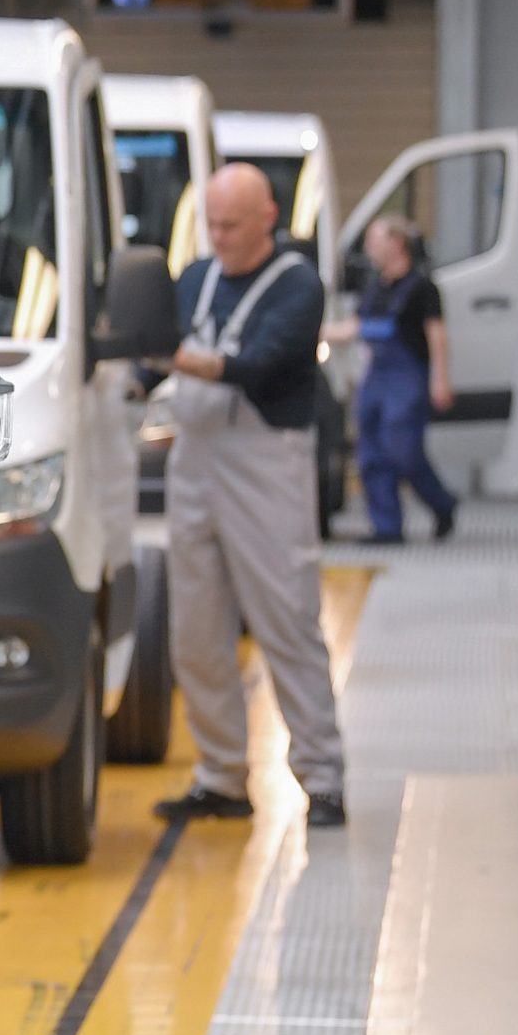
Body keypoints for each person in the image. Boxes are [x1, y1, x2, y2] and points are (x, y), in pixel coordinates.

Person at [151, 163, 347, 830]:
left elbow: (259, 364)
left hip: (265, 469)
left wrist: (170, 355)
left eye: (232, 224)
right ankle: (220, 775)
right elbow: (159, 349)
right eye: (212, 224)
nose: (220, 236)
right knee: (196, 630)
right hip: (195, 464)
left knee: (287, 618)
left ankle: (323, 776)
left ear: (268, 217)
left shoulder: (297, 286)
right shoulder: (195, 278)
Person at [350, 213, 459, 542]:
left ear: (397, 243)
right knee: (371, 452)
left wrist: (441, 380)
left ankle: (442, 503)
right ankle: (387, 527)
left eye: (374, 240)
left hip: (406, 379)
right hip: (376, 377)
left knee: (403, 450)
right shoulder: (374, 288)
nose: (368, 248)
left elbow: (437, 336)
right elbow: (356, 327)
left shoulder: (422, 288)